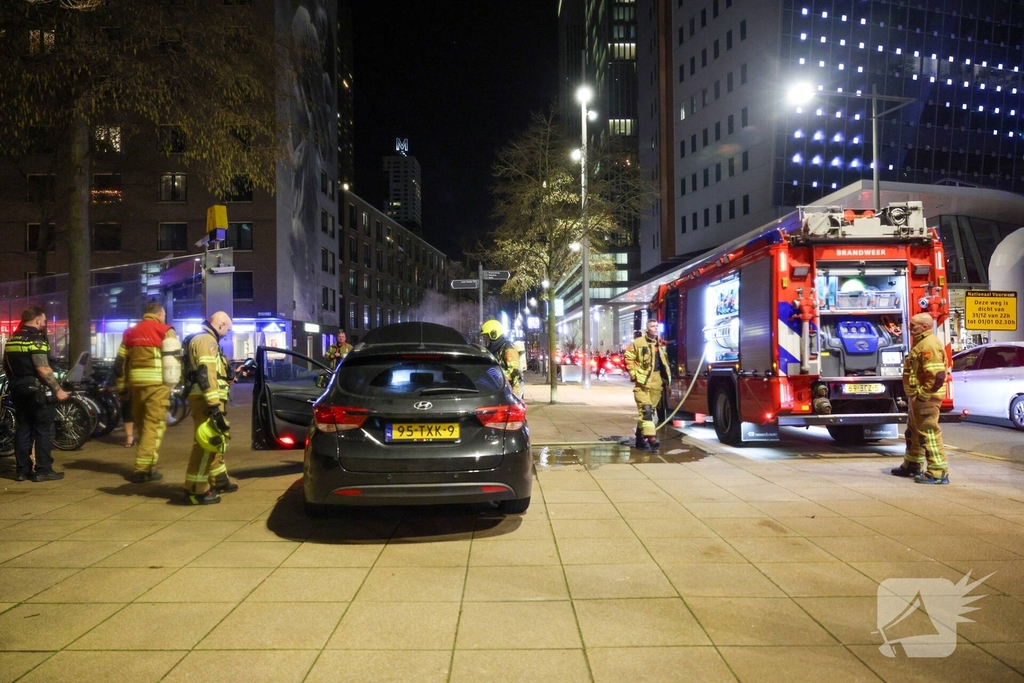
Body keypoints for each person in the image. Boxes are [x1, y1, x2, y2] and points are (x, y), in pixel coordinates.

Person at [1, 305, 69, 482]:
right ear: (37, 320)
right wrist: (58, 390)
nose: (44, 324)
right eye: (44, 321)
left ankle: (22, 471)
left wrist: (17, 382)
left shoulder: (12, 340)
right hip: (36, 392)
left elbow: (6, 365)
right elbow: (43, 368)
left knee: (23, 428)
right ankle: (43, 469)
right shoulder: (36, 340)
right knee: (43, 430)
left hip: (18, 389)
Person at [114, 303, 177, 483]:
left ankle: (149, 467)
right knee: (154, 427)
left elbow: (119, 365)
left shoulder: (130, 333)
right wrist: (172, 385)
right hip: (157, 386)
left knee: (142, 426)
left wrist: (122, 388)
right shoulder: (165, 330)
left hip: (136, 386)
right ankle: (142, 470)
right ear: (160, 314)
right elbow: (173, 362)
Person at [183, 311, 235, 504]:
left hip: (207, 400)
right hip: (207, 401)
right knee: (206, 443)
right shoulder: (207, 341)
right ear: (220, 324)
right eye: (227, 330)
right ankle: (196, 490)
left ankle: (218, 480)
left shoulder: (206, 339)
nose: (226, 334)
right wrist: (214, 406)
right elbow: (205, 374)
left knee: (215, 441)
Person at [892, 313, 950, 484]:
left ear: (925, 327)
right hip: (917, 397)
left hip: (926, 399)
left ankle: (938, 472)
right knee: (914, 432)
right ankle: (912, 464)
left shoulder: (929, 345)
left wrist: (923, 395)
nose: (910, 328)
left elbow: (937, 375)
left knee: (929, 433)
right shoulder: (921, 342)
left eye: (913, 325)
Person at [624, 319, 671, 451]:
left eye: (657, 326)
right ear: (647, 329)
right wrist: (634, 374)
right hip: (643, 383)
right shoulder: (638, 343)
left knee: (649, 412)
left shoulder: (661, 344)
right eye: (652, 326)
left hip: (657, 383)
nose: (655, 328)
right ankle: (652, 438)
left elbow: (664, 364)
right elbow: (628, 357)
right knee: (646, 411)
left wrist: (667, 383)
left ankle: (640, 438)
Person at [480, 319, 522, 396]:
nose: (486, 339)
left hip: (508, 390)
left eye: (487, 336)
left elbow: (514, 372)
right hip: (496, 389)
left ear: (494, 334)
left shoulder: (508, 348)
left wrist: (495, 375)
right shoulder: (493, 349)